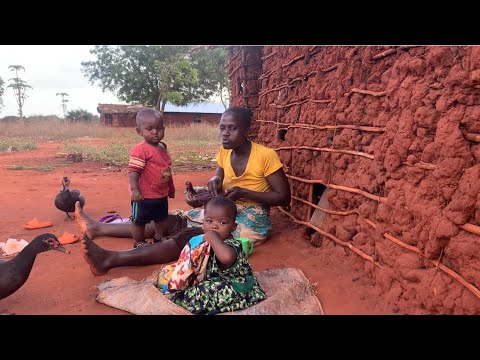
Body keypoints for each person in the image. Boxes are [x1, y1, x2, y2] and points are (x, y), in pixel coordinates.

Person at [79, 106, 291, 275]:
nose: (224, 134)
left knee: (195, 237)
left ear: (246, 131)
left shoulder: (265, 155)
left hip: (250, 219)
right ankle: (98, 229)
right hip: (225, 210)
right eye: (222, 128)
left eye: (232, 128)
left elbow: (283, 196)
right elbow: (219, 177)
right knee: (170, 221)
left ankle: (110, 259)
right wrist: (214, 182)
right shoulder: (225, 153)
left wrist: (245, 193)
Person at [157, 196, 266, 315]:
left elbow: (227, 258)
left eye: (222, 222)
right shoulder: (202, 242)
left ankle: (178, 300)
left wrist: (213, 238)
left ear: (233, 227)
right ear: (203, 223)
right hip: (216, 280)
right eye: (209, 221)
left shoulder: (232, 244)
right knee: (173, 273)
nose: (214, 226)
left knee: (195, 295)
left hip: (236, 287)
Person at [128, 108, 175, 248]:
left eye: (159, 128)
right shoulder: (140, 150)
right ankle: (139, 242)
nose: (155, 132)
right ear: (139, 131)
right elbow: (133, 171)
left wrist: (170, 189)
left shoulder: (163, 148)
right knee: (139, 221)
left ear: (164, 129)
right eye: (149, 129)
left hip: (161, 195)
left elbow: (167, 171)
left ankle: (159, 237)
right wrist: (135, 190)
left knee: (161, 219)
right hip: (143, 196)